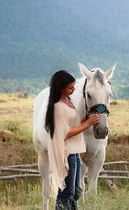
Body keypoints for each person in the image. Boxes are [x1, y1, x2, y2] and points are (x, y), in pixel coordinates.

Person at [45, 70, 100, 210]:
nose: (74, 89)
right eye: (70, 87)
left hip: (75, 152)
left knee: (76, 191)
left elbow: (72, 124)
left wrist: (86, 119)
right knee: (66, 192)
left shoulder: (68, 102)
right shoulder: (58, 107)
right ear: (61, 88)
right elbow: (65, 133)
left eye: (74, 86)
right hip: (66, 153)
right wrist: (87, 124)